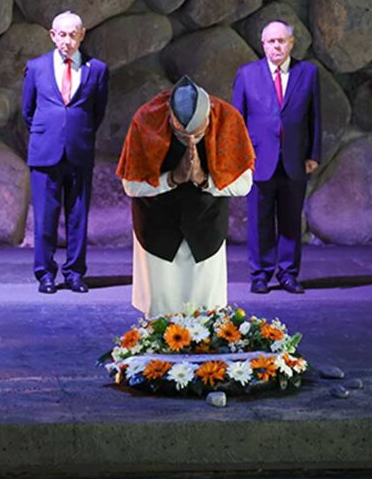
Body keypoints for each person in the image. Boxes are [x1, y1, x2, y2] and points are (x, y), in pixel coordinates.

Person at [117, 76, 254, 316]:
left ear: (209, 116)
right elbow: (131, 185)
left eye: (198, 135)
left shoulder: (228, 120)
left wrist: (203, 179)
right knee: (161, 311)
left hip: (206, 224)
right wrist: (172, 179)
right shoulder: (146, 120)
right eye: (182, 136)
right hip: (156, 225)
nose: (191, 141)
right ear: (169, 117)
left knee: (205, 312)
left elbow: (244, 185)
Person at [22, 11, 109, 294]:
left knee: (78, 216)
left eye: (73, 34)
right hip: (45, 152)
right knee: (45, 217)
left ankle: (74, 273)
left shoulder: (97, 70)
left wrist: (75, 132)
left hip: (79, 150)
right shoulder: (36, 68)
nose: (67, 41)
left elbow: (98, 112)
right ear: (52, 35)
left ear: (82, 35)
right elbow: (27, 111)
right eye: (62, 34)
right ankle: (45, 273)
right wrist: (50, 133)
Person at [232, 20, 321, 295]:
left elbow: (315, 117)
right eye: (271, 41)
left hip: (295, 159)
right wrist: (239, 159)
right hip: (259, 161)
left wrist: (313, 154)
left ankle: (288, 273)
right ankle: (260, 274)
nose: (277, 46)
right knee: (259, 220)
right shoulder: (247, 74)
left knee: (291, 220)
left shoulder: (308, 73)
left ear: (291, 43)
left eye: (281, 41)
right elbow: (238, 121)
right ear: (263, 45)